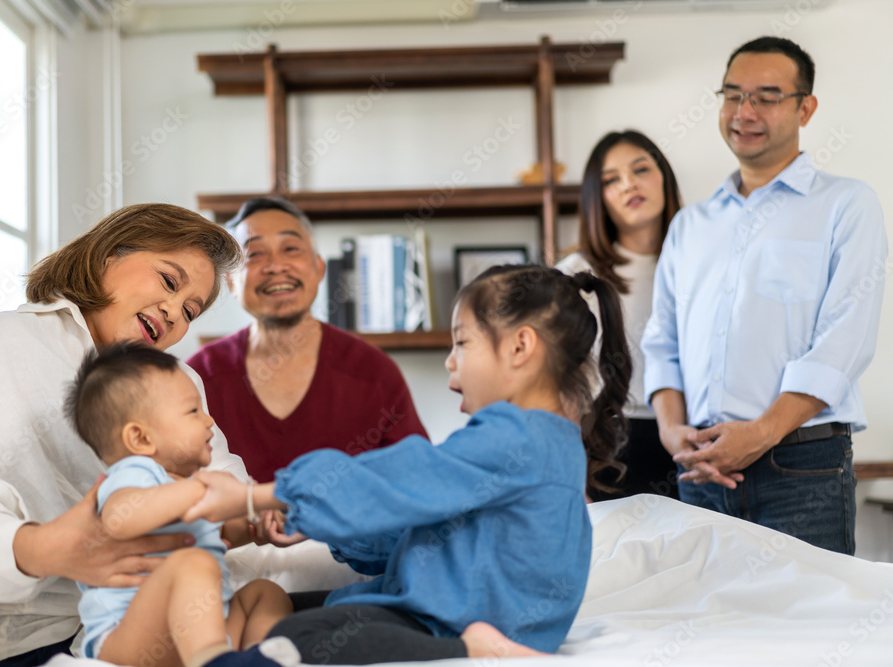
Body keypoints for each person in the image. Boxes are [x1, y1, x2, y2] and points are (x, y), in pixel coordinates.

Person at [183, 264, 633, 663]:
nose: (450, 361)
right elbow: (423, 523)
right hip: (442, 608)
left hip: (465, 622)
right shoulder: (537, 439)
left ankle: (468, 652)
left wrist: (255, 494)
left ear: (520, 346)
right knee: (284, 605)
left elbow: (400, 477)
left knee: (304, 632)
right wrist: (317, 520)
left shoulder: (521, 436)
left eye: (462, 342)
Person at [0, 204, 257, 667]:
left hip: (177, 611)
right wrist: (51, 550)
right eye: (168, 280)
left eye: (189, 311)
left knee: (322, 611)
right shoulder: (12, 344)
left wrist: (258, 514)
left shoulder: (178, 379)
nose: (174, 313)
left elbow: (226, 487)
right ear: (107, 255)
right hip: (44, 637)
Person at [641, 36, 887, 555]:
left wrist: (761, 433)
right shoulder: (690, 225)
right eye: (732, 95)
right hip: (700, 466)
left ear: (806, 108)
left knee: (808, 630)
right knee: (706, 628)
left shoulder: (847, 204)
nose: (743, 111)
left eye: (766, 97)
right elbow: (661, 341)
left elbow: (846, 339)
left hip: (800, 467)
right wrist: (671, 431)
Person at [65, 343, 298, 667]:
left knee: (266, 593)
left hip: (195, 632)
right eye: (193, 411)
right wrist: (196, 489)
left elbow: (220, 532)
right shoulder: (133, 474)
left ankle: (253, 656)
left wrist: (252, 529)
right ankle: (215, 661)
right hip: (129, 638)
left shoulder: (187, 484)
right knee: (192, 564)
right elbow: (118, 518)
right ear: (141, 439)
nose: (208, 420)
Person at [187, 197, 427, 483]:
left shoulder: (374, 372)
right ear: (230, 282)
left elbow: (417, 483)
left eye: (290, 249)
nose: (276, 266)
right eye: (254, 254)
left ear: (319, 268)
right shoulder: (200, 376)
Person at [558, 130, 683, 501]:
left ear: (665, 177)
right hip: (606, 444)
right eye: (611, 180)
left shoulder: (700, 263)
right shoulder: (575, 275)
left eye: (640, 169)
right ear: (598, 199)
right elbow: (556, 381)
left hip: (690, 439)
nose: (629, 184)